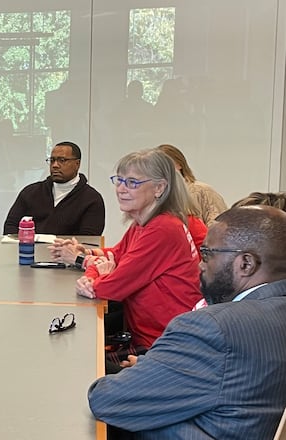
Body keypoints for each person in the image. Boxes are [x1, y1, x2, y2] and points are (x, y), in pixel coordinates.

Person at [88, 206, 286, 439]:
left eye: (207, 255)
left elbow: (109, 400)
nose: (199, 266)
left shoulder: (213, 328)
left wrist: (149, 375)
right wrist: (160, 370)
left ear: (245, 264)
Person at [50, 148, 202, 350]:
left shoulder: (163, 228)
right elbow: (117, 254)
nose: (121, 189)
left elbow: (110, 286)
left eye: (132, 183)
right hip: (148, 335)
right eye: (119, 180)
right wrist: (90, 259)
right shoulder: (144, 222)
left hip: (164, 344)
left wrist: (94, 277)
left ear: (159, 188)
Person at [2, 141, 105, 235]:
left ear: (77, 164)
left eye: (62, 160)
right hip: (29, 253)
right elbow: (10, 227)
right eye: (52, 160)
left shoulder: (91, 199)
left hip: (68, 255)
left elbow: (89, 240)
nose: (55, 165)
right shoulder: (31, 192)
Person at [157, 143, 226, 225]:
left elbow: (219, 225)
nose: (163, 169)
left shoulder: (203, 190)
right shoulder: (155, 196)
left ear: (179, 164)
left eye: (166, 164)